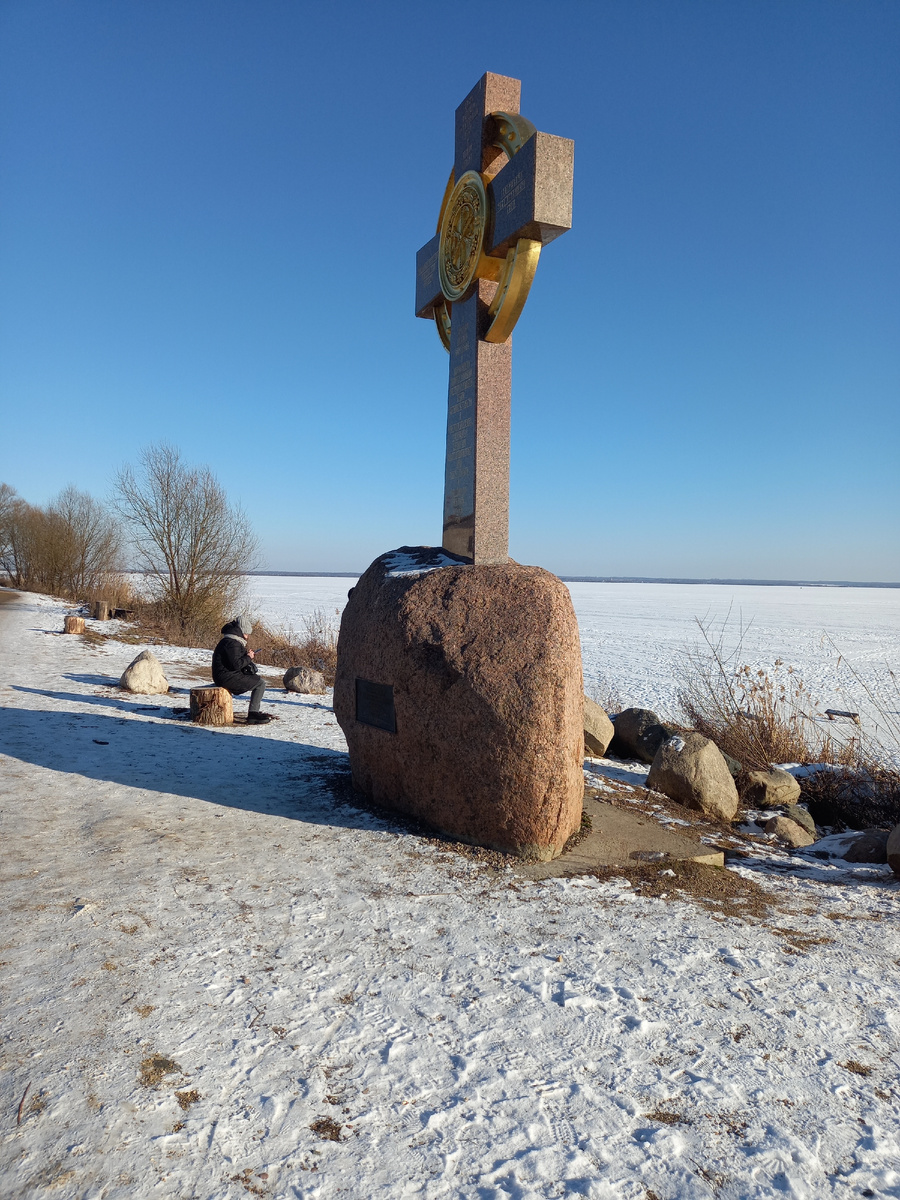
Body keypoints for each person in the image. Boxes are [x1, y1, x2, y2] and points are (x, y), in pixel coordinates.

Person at [212, 614, 272, 724]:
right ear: (241, 631)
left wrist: (246, 654)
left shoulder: (230, 640)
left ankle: (254, 713)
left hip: (224, 675)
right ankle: (253, 714)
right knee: (260, 683)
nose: (247, 637)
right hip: (226, 677)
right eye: (246, 633)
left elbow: (233, 660)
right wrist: (248, 657)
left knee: (257, 680)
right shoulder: (232, 643)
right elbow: (236, 664)